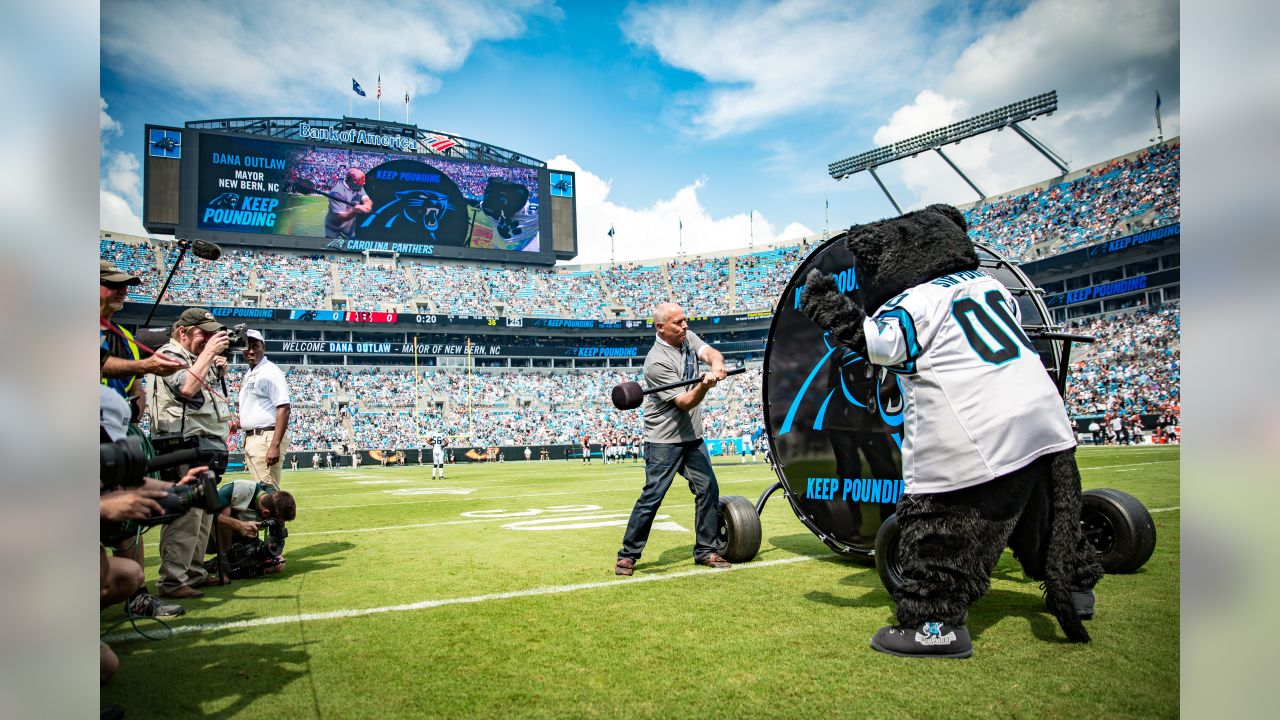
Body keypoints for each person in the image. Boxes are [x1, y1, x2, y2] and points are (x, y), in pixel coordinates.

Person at [616, 302, 730, 576]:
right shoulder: (656, 362)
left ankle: (706, 550)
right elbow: (685, 402)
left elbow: (710, 351)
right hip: (663, 439)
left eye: (684, 321)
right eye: (678, 322)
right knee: (653, 496)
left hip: (692, 437)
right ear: (661, 327)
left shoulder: (687, 338)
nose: (685, 326)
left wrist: (717, 364)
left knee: (708, 490)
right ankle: (628, 554)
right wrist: (704, 385)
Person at [150, 308, 232, 600]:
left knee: (202, 516)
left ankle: (193, 572)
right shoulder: (169, 354)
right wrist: (208, 354)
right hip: (181, 444)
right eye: (203, 334)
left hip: (202, 446)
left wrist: (212, 363)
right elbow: (186, 388)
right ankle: (172, 580)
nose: (209, 339)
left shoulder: (194, 358)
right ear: (183, 332)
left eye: (212, 334)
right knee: (185, 514)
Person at [99, 260, 182, 421]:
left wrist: (134, 422)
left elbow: (136, 387)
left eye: (126, 285)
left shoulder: (126, 337)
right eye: (113, 285)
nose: (123, 290)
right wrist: (146, 365)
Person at [234, 329, 291, 490]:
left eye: (255, 346)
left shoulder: (270, 371)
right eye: (247, 347)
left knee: (267, 492)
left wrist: (274, 445)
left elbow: (284, 408)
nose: (251, 351)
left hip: (265, 437)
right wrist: (240, 423)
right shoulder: (251, 373)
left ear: (263, 347)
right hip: (256, 436)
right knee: (262, 492)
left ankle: (274, 516)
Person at [212, 479, 297, 574]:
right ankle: (225, 558)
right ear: (265, 513)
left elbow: (277, 542)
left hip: (241, 539)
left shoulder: (276, 504)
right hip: (212, 536)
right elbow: (208, 513)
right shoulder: (242, 489)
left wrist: (271, 551)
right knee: (225, 510)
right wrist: (239, 525)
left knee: (279, 565)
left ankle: (243, 568)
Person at [324, 168, 374, 239]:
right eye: (361, 183)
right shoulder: (337, 192)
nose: (363, 185)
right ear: (351, 181)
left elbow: (366, 198)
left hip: (349, 233)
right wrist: (354, 211)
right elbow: (340, 218)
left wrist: (367, 205)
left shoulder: (358, 186)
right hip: (335, 233)